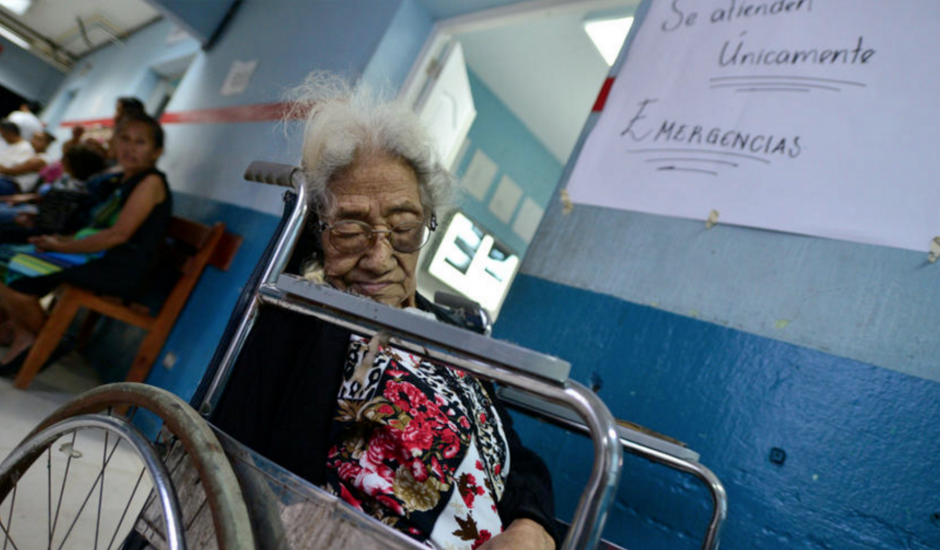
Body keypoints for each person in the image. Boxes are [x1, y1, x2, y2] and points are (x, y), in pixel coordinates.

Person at [213, 75, 556, 550]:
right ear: (319, 233)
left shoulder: (453, 333)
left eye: (403, 228)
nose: (378, 258)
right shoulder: (300, 315)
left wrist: (529, 526)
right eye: (351, 230)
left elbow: (517, 458)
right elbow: (234, 460)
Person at [0, 112, 171, 373]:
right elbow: (93, 229)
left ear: (156, 151)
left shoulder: (150, 182)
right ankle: (26, 335)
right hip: (97, 255)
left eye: (140, 142)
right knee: (8, 254)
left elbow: (117, 235)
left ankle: (46, 340)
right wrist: (57, 240)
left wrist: (61, 247)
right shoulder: (121, 179)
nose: (129, 147)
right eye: (124, 139)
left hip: (117, 267)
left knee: (14, 264)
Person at [0, 121, 35, 195]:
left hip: (11, 183)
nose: (2, 136)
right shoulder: (10, 146)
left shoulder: (26, 148)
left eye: (2, 134)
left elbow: (13, 171)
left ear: (9, 133)